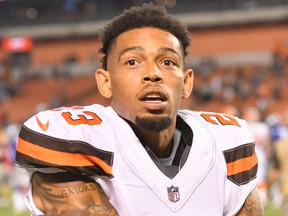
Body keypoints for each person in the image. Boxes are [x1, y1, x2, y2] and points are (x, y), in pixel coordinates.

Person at [15, 3, 264, 215]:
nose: (152, 74)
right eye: (132, 62)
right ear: (106, 82)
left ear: (187, 82)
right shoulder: (73, 138)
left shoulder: (226, 142)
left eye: (167, 62)